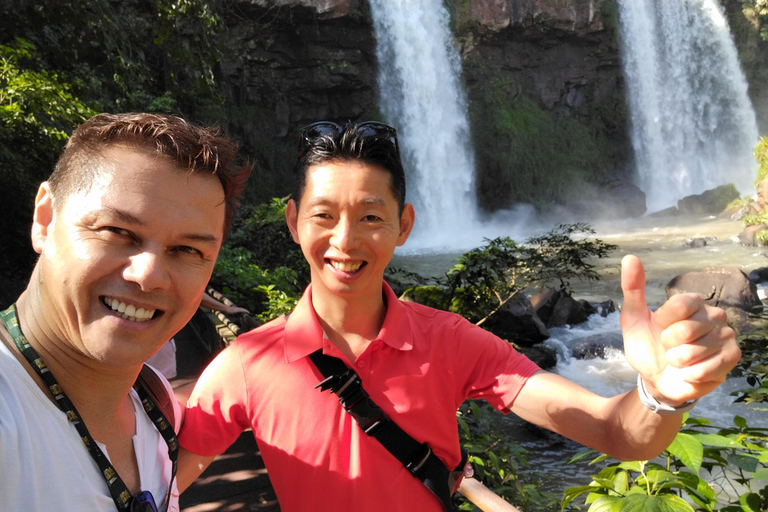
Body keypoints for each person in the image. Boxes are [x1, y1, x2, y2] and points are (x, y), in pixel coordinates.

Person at [176, 121, 741, 511]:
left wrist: (664, 393)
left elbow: (616, 432)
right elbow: (156, 483)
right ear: (295, 221)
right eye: (324, 215)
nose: (344, 240)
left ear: (404, 225)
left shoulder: (450, 342)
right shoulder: (247, 365)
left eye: (371, 216)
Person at [0, 112, 251, 512]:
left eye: (187, 250)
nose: (148, 276)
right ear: (45, 219)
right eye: (117, 232)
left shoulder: (154, 403)